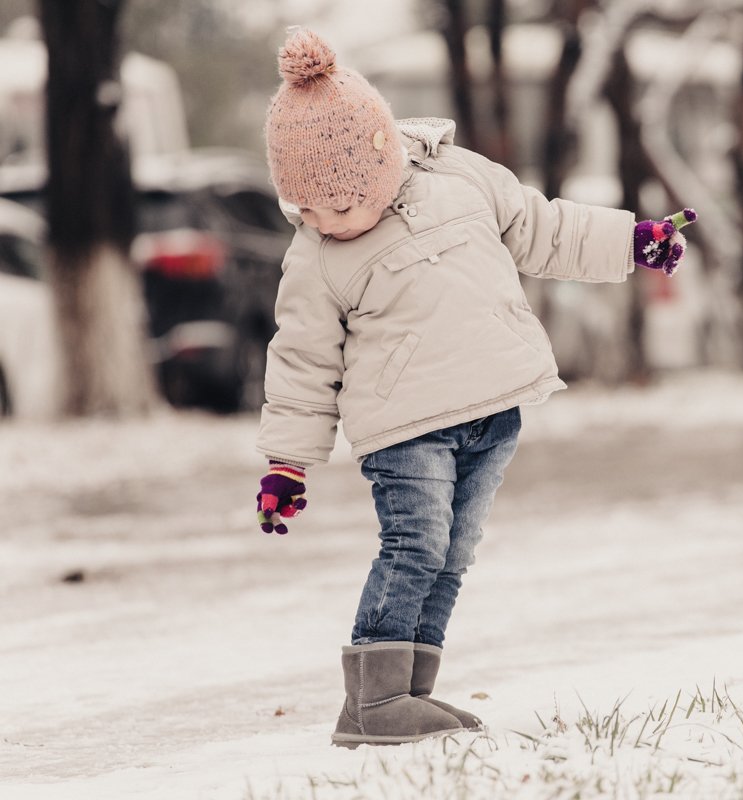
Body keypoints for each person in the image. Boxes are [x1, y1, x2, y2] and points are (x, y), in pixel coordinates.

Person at [253, 28, 697, 749]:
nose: (328, 223)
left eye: (342, 205)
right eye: (309, 210)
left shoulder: (463, 178)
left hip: (492, 410)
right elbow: (302, 359)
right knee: (416, 545)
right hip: (404, 428)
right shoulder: (315, 258)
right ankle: (372, 702)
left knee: (453, 555)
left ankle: (410, 695)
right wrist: (287, 462)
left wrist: (631, 240)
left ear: (383, 162)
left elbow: (544, 228)